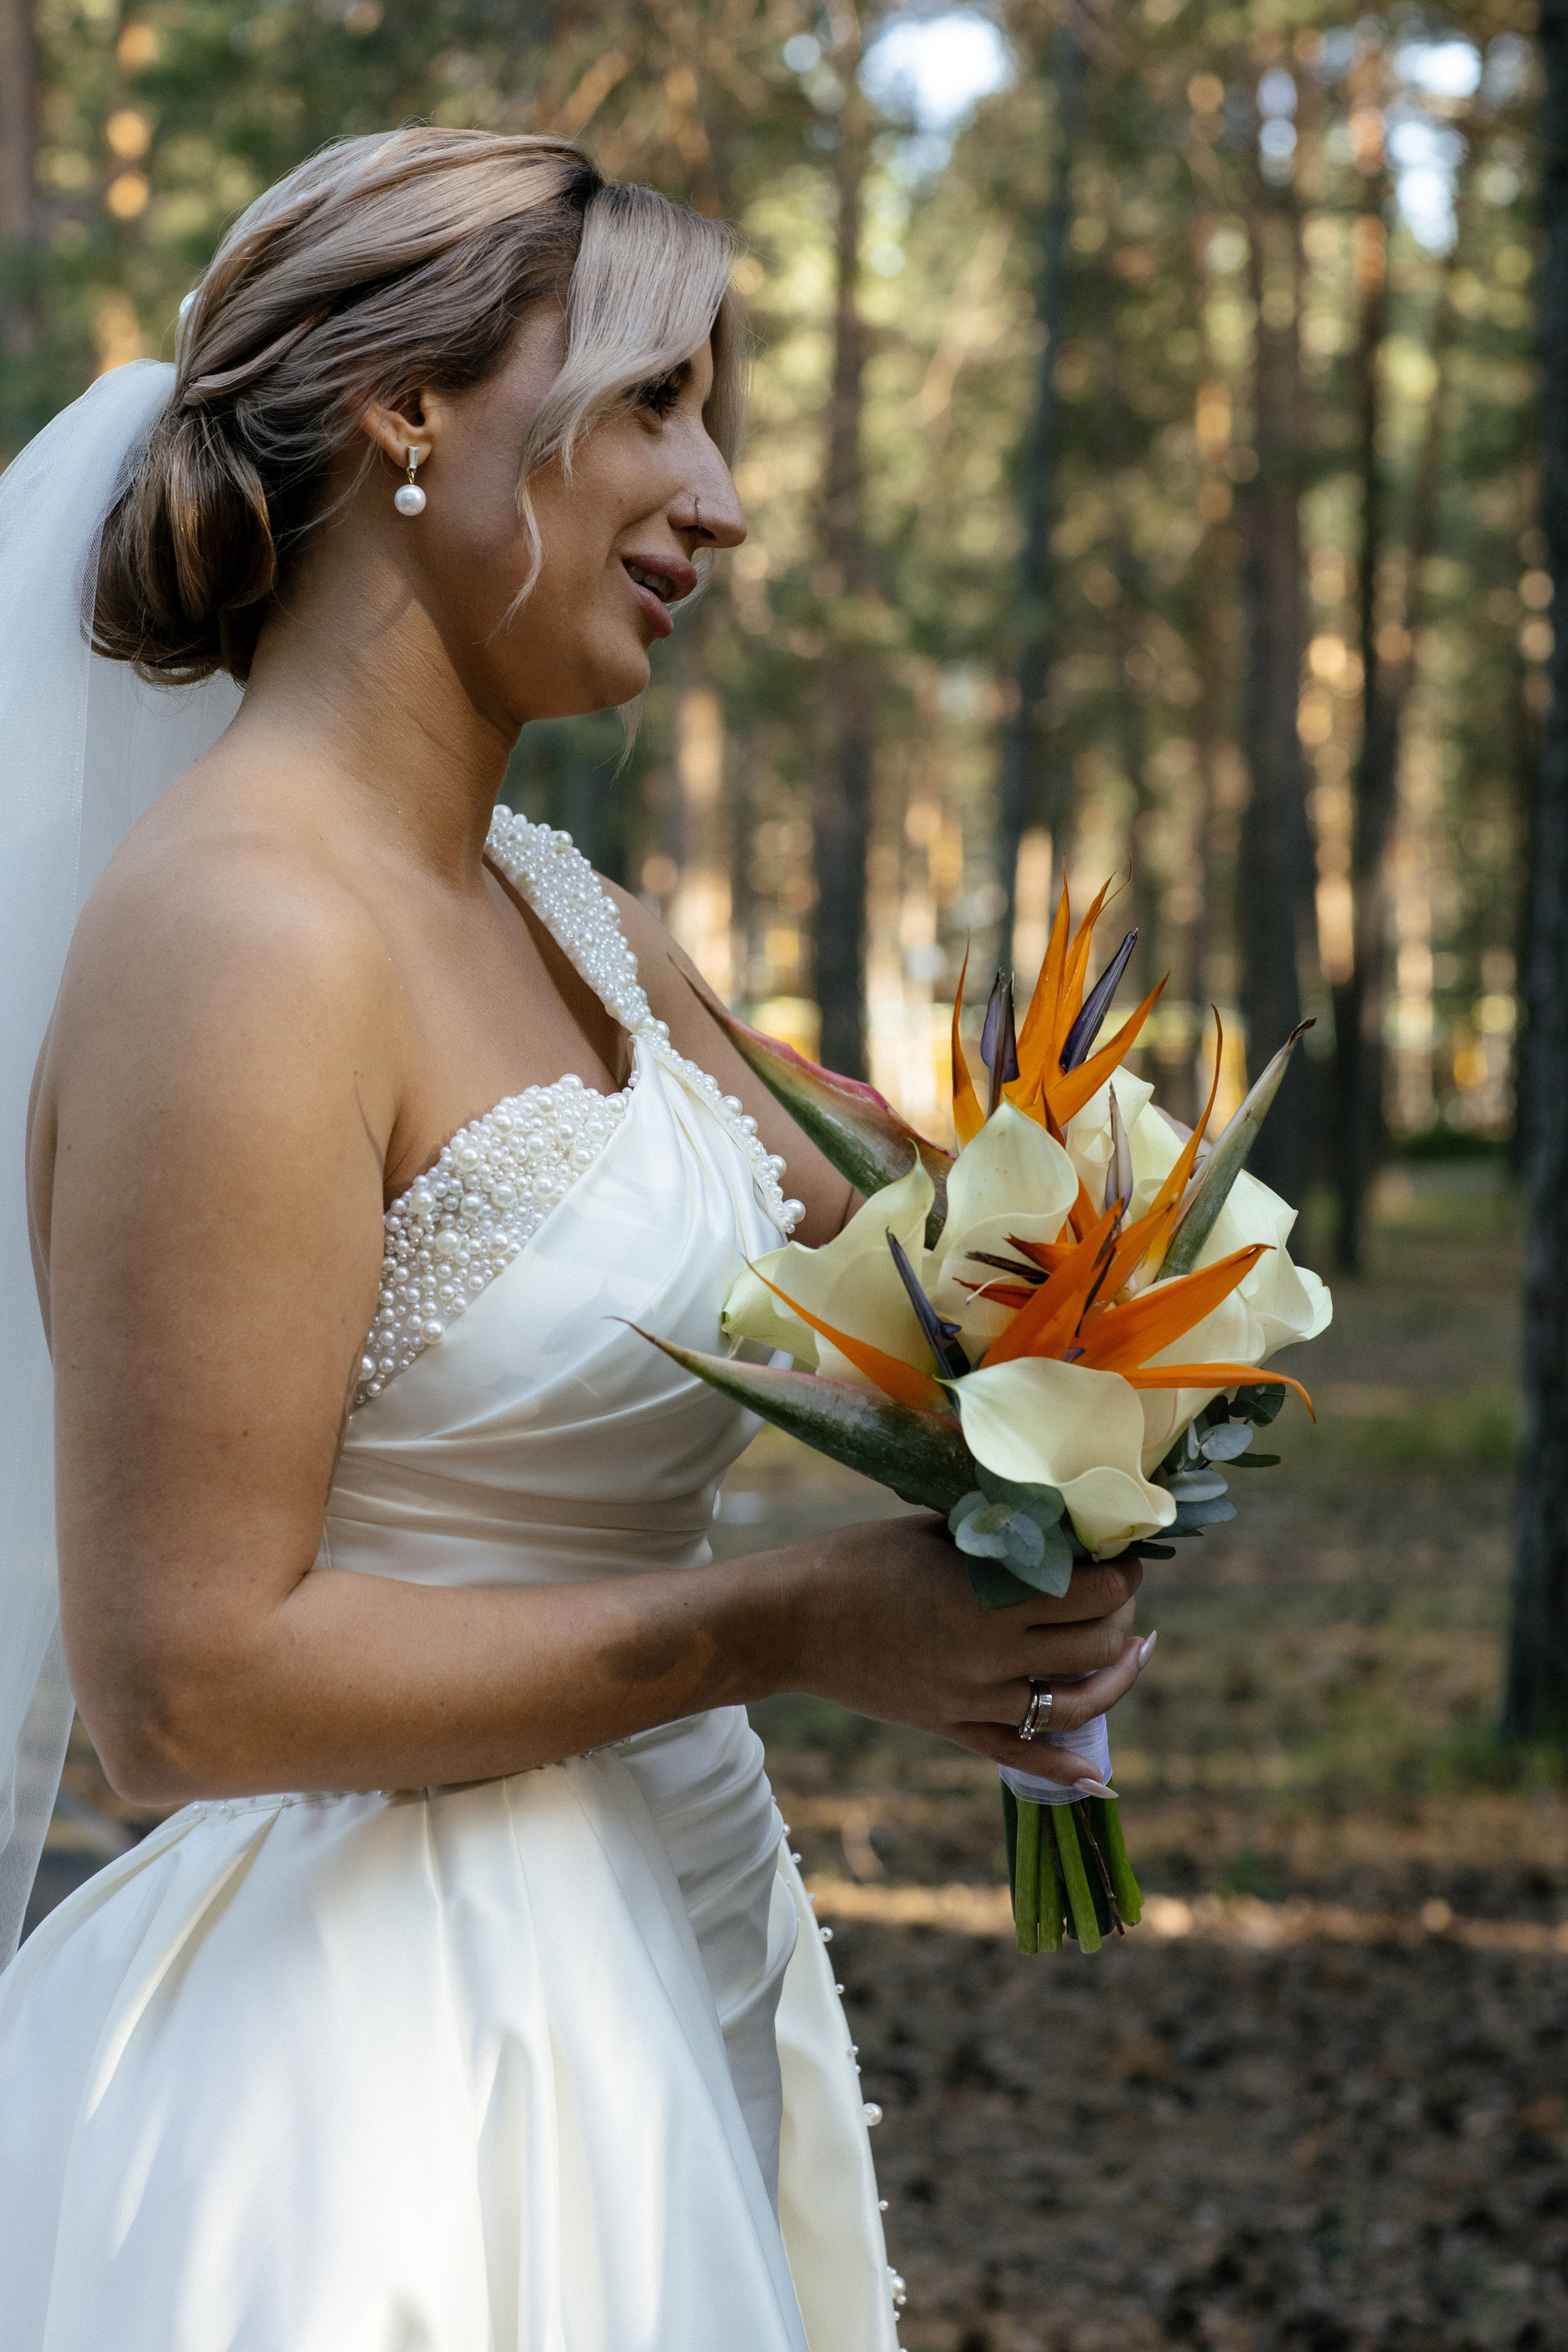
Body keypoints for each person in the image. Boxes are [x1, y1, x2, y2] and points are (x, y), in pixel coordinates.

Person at [0, 126, 1152, 2350]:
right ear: (403, 412)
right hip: (376, 2080)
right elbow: (184, 1690)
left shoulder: (573, 913)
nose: (720, 499)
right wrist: (805, 1618)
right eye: (652, 401)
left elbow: (934, 1286)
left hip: (658, 1944)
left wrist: (1127, 1386)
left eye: (713, 418)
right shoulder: (241, 938)